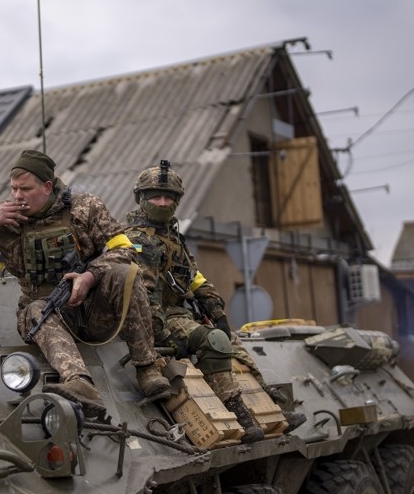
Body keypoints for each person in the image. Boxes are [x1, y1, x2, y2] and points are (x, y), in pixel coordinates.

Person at [0, 149, 171, 420]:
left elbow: (125, 249)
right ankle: (79, 381)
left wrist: (90, 276)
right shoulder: (3, 217)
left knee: (125, 273)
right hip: (43, 312)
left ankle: (147, 368)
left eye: (26, 188)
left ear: (47, 187)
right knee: (36, 310)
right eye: (13, 189)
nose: (17, 196)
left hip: (91, 308)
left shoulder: (85, 207)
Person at [124, 162, 293, 443]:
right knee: (214, 341)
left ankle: (271, 405)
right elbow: (145, 297)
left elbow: (192, 277)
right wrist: (161, 334)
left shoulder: (172, 236)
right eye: (155, 197)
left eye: (169, 198)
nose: (162, 203)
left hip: (181, 312)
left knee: (231, 340)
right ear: (141, 198)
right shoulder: (137, 240)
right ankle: (240, 414)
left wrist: (215, 309)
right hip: (159, 318)